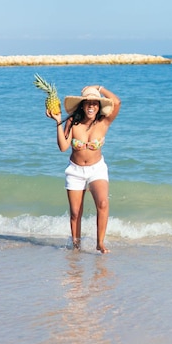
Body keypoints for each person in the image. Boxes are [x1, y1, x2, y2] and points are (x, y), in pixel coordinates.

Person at [47, 85, 121, 253]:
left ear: (99, 106)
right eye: (88, 103)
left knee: (102, 203)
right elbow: (63, 147)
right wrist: (59, 121)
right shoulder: (73, 122)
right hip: (75, 170)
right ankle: (76, 246)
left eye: (95, 103)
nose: (91, 106)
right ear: (82, 105)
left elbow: (117, 102)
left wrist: (100, 88)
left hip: (97, 169)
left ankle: (100, 243)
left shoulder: (104, 121)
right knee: (75, 212)